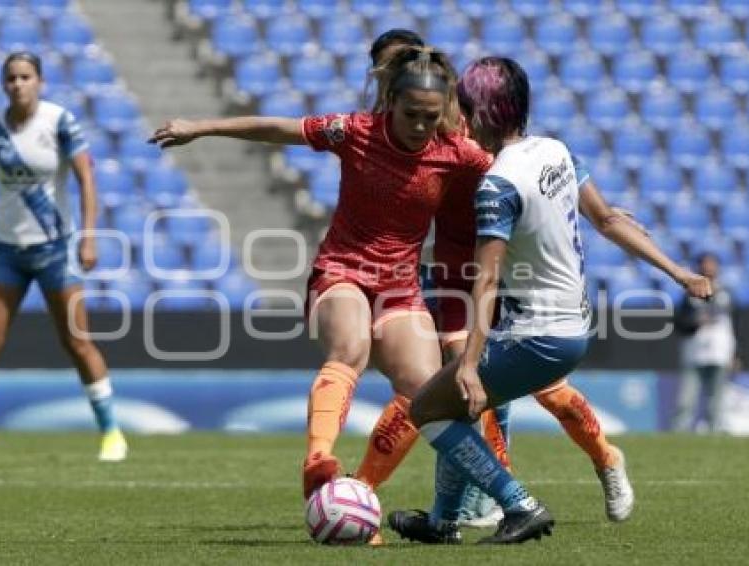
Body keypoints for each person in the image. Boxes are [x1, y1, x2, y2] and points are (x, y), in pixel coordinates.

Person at [388, 56, 712, 544]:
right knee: (452, 407)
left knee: (427, 411)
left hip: (534, 337)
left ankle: (518, 504)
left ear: (481, 113)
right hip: (573, 331)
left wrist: (471, 364)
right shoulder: (557, 151)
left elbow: (487, 281)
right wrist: (679, 272)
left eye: (461, 107)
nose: (456, 117)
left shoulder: (497, 184)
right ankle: (440, 522)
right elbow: (607, 220)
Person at [148, 46, 492, 501]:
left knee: (422, 391)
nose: (421, 127)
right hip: (342, 271)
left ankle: (359, 492)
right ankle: (318, 461)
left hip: (401, 287)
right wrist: (201, 128)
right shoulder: (353, 131)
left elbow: (515, 180)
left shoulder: (457, 153)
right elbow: (277, 128)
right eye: (412, 114)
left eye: (431, 117)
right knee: (351, 348)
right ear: (390, 100)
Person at [352, 30, 640, 529]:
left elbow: (541, 173)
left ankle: (603, 459)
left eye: (397, 64)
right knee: (446, 388)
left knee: (541, 390)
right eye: (383, 69)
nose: (389, 76)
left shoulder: (477, 132)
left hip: (505, 275)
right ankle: (387, 495)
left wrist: (600, 209)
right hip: (452, 274)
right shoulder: (407, 133)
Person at [0, 52, 128, 464]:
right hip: (6, 250)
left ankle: (111, 432)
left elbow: (86, 179)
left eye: (25, 76)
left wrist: (88, 238)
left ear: (39, 81)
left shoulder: (59, 122)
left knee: (76, 342)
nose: (18, 84)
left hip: (55, 250)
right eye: (11, 78)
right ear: (3, 85)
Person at [672, 252, 736, 433]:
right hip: (695, 352)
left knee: (716, 399)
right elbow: (679, 323)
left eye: (712, 264)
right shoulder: (689, 295)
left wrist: (736, 354)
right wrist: (695, 322)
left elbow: (735, 325)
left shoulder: (727, 293)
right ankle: (679, 433)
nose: (709, 268)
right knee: (686, 398)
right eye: (705, 264)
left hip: (720, 352)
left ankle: (714, 433)